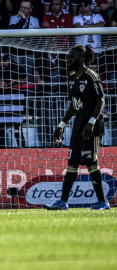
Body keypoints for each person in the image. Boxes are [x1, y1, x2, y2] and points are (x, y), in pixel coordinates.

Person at [44, 45, 109, 210]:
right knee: (72, 163)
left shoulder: (91, 76)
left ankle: (103, 202)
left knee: (91, 162)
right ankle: (63, 202)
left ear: (80, 59)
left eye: (71, 57)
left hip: (91, 128)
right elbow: (73, 105)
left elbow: (101, 100)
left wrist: (92, 122)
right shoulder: (72, 78)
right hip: (77, 127)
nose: (68, 60)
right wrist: (61, 125)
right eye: (68, 57)